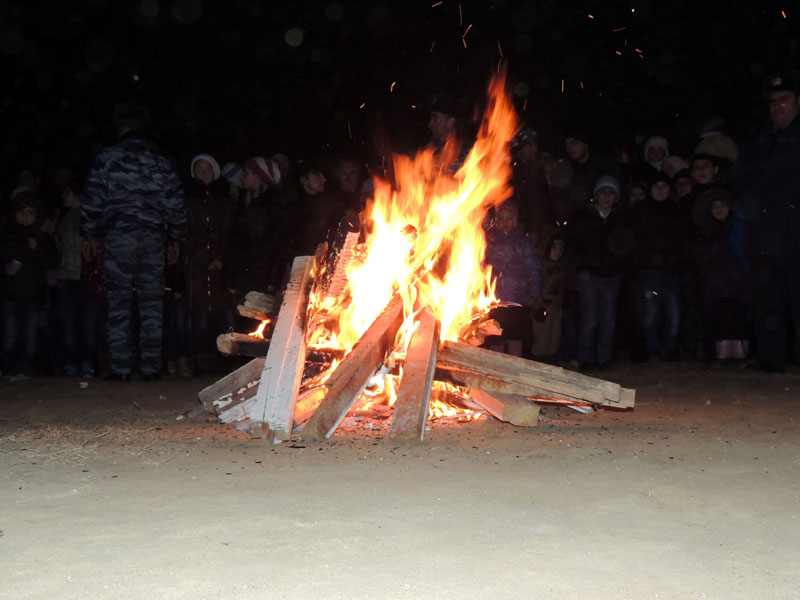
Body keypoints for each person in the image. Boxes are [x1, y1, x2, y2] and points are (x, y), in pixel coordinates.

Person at [81, 101, 186, 382]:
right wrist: (175, 239)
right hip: (153, 240)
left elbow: (93, 200)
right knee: (152, 305)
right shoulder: (162, 161)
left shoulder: (107, 158)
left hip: (119, 238)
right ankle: (151, 368)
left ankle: (121, 368)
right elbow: (175, 204)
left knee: (118, 304)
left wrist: (90, 235)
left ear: (121, 127)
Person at [730, 70, 800, 372]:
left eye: (784, 99)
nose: (777, 106)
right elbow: (740, 178)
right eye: (773, 101)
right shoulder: (759, 137)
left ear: (798, 101)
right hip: (765, 233)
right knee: (766, 299)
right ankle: (770, 359)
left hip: (796, 231)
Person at [564, 175, 633, 369]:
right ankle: (585, 359)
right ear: (596, 195)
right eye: (603, 192)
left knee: (608, 319)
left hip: (612, 276)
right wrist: (582, 266)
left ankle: (604, 359)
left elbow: (627, 246)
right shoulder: (582, 218)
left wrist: (620, 267)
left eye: (611, 193)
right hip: (589, 275)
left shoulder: (620, 220)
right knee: (589, 318)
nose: (607, 197)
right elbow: (572, 245)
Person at [180, 153, 237, 375]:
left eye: (207, 169)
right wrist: (205, 256)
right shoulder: (186, 201)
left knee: (227, 319)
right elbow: (183, 234)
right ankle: (199, 365)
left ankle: (231, 365)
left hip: (222, 270)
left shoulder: (228, 201)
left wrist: (220, 258)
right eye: (199, 169)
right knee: (200, 322)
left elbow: (231, 234)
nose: (203, 173)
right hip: (196, 269)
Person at [1, 192, 61, 379]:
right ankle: (7, 367)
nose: (25, 216)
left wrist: (37, 250)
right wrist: (5, 269)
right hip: (9, 295)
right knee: (9, 333)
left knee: (30, 334)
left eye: (30, 212)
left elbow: (54, 261)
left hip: (33, 295)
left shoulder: (43, 238)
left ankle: (25, 368)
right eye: (21, 211)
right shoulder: (6, 235)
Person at [634, 172, 691, 361]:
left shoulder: (676, 210)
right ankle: (652, 350)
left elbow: (683, 240)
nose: (660, 190)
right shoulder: (641, 210)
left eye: (664, 186)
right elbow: (634, 241)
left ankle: (669, 349)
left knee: (674, 312)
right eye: (656, 186)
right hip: (649, 271)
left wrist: (679, 263)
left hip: (672, 271)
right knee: (651, 312)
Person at [693, 189, 751, 362]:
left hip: (737, 283)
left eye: (722, 205)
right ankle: (721, 355)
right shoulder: (705, 231)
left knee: (738, 318)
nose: (719, 209)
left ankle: (741, 354)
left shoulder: (738, 228)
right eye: (715, 206)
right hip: (715, 285)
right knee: (719, 319)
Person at [482, 201, 542, 357]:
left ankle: (514, 370)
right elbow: (481, 266)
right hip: (496, 300)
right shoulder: (490, 241)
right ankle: (496, 370)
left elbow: (533, 269)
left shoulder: (523, 243)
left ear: (515, 220)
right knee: (496, 338)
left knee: (516, 338)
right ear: (495, 220)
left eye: (509, 218)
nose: (505, 223)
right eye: (501, 219)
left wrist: (534, 293)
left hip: (518, 300)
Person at [54, 178, 99, 377]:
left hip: (86, 278)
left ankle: (88, 362)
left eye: (68, 192)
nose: (64, 196)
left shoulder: (92, 217)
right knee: (68, 325)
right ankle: (71, 363)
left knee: (88, 325)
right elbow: (56, 246)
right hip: (65, 277)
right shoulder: (60, 217)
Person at [510, 128, 554, 239]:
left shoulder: (544, 169)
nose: (534, 149)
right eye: (529, 146)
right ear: (519, 150)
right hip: (521, 235)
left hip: (546, 232)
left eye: (535, 145)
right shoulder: (509, 174)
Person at [531, 227, 565, 364]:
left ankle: (551, 360)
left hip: (556, 308)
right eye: (554, 248)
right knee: (542, 337)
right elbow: (535, 287)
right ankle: (539, 362)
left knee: (555, 336)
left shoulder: (561, 267)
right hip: (543, 307)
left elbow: (561, 289)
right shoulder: (539, 267)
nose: (558, 252)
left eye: (560, 249)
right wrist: (538, 306)